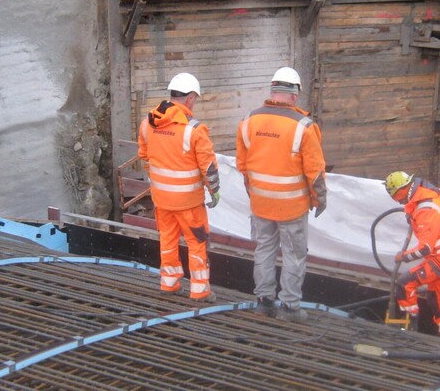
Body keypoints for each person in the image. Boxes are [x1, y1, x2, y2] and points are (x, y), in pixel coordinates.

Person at [236, 67, 327, 322]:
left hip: (261, 203)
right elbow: (316, 173)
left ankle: (264, 302)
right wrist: (320, 199)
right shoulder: (304, 127)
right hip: (292, 207)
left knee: (264, 249)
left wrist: (254, 193)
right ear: (295, 95)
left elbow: (242, 166)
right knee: (293, 255)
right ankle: (289, 307)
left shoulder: (248, 121)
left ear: (273, 91)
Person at [138, 72, 221, 303]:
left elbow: (145, 157)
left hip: (161, 200)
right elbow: (208, 168)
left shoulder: (148, 123)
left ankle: (170, 284)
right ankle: (200, 290)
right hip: (189, 203)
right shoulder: (194, 129)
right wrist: (214, 190)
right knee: (197, 243)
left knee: (168, 240)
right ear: (191, 98)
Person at [385, 171, 440, 339]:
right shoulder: (428, 193)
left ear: (401, 189)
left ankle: (409, 328)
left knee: (404, 284)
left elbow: (424, 249)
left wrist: (403, 256)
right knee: (435, 296)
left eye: (394, 195)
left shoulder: (426, 209)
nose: (395, 200)